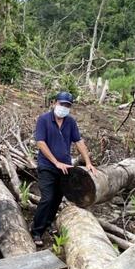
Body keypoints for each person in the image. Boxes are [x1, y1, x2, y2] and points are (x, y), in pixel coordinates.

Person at [31, 91, 96, 246]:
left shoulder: (70, 122)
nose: (64, 107)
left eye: (67, 105)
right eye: (62, 104)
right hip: (47, 166)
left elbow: (78, 141)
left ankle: (47, 223)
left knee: (57, 199)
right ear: (54, 103)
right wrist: (55, 162)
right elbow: (40, 143)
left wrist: (88, 162)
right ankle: (36, 230)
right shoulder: (44, 120)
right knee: (47, 197)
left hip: (65, 168)